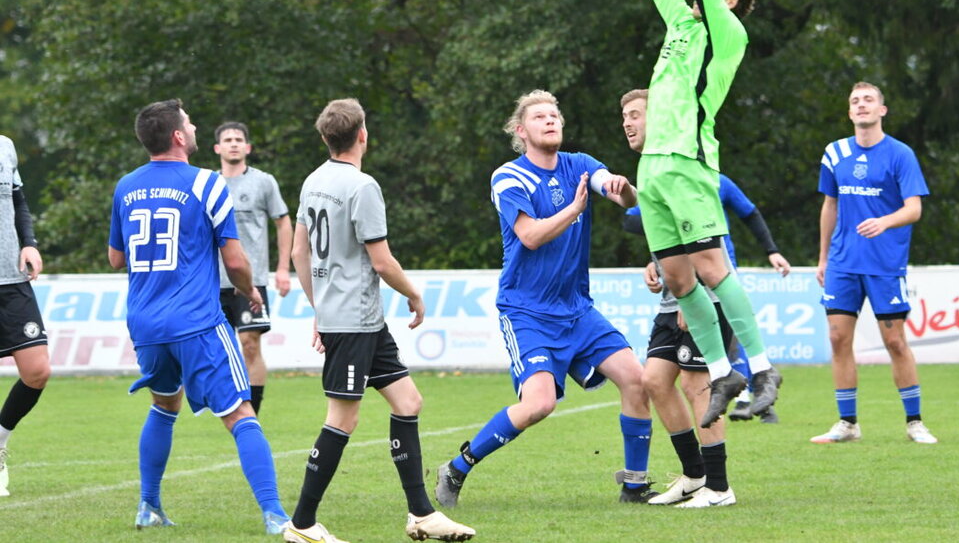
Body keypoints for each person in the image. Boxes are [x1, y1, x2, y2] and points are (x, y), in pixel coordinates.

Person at [434, 89, 655, 508]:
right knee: (539, 405)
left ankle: (635, 486)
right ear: (521, 131)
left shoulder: (580, 165)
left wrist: (624, 188)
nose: (550, 121)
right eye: (539, 117)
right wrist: (573, 210)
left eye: (554, 115)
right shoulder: (508, 177)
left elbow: (621, 196)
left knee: (637, 379)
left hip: (577, 310)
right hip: (527, 312)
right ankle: (458, 467)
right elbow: (530, 236)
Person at [282, 98, 474, 543]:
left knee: (408, 401)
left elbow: (298, 252)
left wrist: (319, 308)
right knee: (342, 419)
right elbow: (382, 262)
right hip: (352, 322)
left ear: (325, 137)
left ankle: (421, 514)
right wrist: (414, 294)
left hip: (361, 321)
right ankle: (302, 523)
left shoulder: (313, 181)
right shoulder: (363, 186)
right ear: (363, 135)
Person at [636, 0, 779, 428]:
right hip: (653, 168)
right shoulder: (681, 21)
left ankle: (762, 368)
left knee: (713, 268)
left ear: (732, 1)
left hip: (688, 162)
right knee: (678, 279)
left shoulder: (728, 33)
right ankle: (723, 372)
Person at [107, 99, 289, 533]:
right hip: (196, 320)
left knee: (164, 406)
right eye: (189, 123)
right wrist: (250, 290)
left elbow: (116, 258)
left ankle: (148, 506)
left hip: (145, 322)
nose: (194, 128)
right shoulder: (208, 183)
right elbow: (236, 261)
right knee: (241, 414)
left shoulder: (126, 186)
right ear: (177, 136)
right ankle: (275, 514)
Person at [620, 89, 789, 508]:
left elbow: (704, 239)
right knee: (653, 381)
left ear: (661, 118)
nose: (627, 123)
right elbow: (643, 225)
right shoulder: (653, 170)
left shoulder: (687, 169)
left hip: (703, 298)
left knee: (699, 385)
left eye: (636, 114)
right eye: (624, 116)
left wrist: (690, 296)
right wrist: (654, 260)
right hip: (673, 297)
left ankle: (719, 487)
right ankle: (694, 476)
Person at [812, 81, 936, 445]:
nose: (861, 105)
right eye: (855, 101)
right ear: (850, 112)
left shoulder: (900, 154)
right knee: (838, 338)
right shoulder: (835, 153)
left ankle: (915, 423)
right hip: (842, 262)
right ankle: (847, 423)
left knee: (895, 341)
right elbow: (830, 205)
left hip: (884, 264)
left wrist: (884, 222)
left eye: (868, 100)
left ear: (882, 110)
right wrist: (823, 258)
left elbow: (914, 208)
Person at [213, 121, 292, 416]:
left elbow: (283, 222)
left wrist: (282, 268)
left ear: (247, 147)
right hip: (213, 281)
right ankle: (227, 407)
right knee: (217, 351)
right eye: (227, 140)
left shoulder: (263, 182)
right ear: (217, 148)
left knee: (249, 344)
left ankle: (251, 415)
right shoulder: (208, 183)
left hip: (251, 280)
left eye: (238, 139)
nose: (233, 143)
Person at [0, 135, 48, 497]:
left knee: (37, 371)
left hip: (12, 279)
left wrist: (29, 242)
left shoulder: (5, 146)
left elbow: (18, 201)